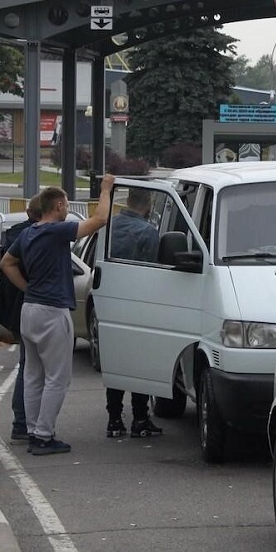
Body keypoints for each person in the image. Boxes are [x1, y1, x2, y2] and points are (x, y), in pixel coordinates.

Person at [0, 176, 114, 456]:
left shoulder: (28, 233)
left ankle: (32, 430)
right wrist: (106, 189)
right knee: (57, 377)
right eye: (65, 206)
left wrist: (26, 287)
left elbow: (6, 263)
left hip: (30, 309)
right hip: (52, 311)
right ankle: (44, 435)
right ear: (60, 205)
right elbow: (99, 220)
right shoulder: (57, 231)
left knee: (33, 374)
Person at [0, 194, 42, 445]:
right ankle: (25, 422)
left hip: (15, 308)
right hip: (30, 306)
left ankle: (22, 420)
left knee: (27, 366)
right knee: (34, 368)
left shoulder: (14, 234)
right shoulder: (37, 236)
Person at [105, 186, 162, 438]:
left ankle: (114, 419)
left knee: (116, 362)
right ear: (148, 203)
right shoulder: (148, 232)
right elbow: (152, 273)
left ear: (127, 200)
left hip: (112, 301)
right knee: (139, 364)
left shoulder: (110, 226)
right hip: (139, 305)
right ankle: (140, 418)